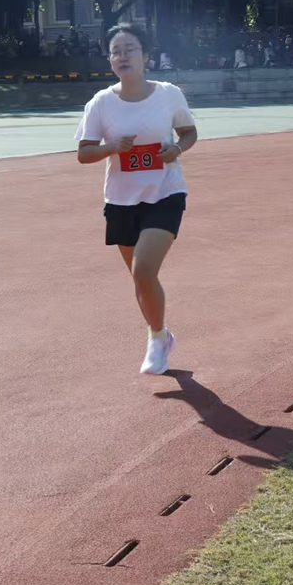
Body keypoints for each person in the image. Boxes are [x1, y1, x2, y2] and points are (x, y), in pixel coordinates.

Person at [75, 24, 198, 374]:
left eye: (130, 49)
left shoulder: (168, 94)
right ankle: (161, 333)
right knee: (140, 278)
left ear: (146, 56)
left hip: (165, 192)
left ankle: (155, 342)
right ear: (109, 60)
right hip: (121, 199)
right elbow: (84, 153)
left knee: (144, 269)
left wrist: (177, 149)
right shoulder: (101, 103)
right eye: (116, 51)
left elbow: (189, 132)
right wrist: (112, 147)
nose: (123, 56)